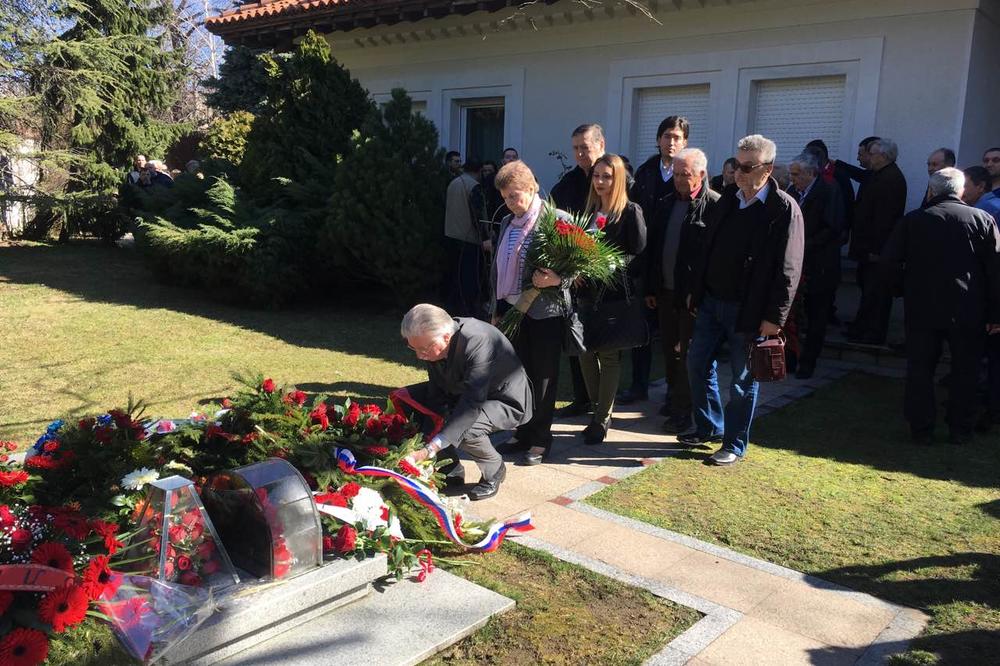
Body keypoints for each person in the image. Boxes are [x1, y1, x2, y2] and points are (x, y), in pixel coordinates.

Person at [682, 134, 804, 465]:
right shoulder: (729, 200)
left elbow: (788, 270)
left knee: (741, 380)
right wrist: (697, 289)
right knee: (696, 363)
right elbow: (708, 248)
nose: (739, 173)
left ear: (768, 169)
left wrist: (774, 319)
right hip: (711, 301)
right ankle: (709, 427)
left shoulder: (783, 209)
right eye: (737, 165)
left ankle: (734, 444)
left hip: (749, 310)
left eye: (747, 167)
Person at [880, 168, 1000, 445]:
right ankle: (960, 429)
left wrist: (902, 290)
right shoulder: (982, 219)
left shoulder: (914, 220)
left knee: (920, 369)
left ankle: (921, 428)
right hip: (969, 309)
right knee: (966, 371)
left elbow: (888, 263)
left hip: (922, 307)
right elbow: (995, 270)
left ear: (931, 191)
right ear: (960, 191)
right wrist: (995, 313)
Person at [402, 304, 532, 500]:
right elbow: (436, 389)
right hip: (462, 392)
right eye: (413, 348)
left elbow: (473, 402)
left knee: (465, 429)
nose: (419, 355)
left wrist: (431, 448)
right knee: (411, 402)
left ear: (446, 337)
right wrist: (433, 419)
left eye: (423, 349)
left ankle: (493, 469)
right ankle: (450, 470)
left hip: (503, 399)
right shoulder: (433, 342)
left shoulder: (478, 341)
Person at [489, 160, 570, 466]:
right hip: (513, 311)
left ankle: (540, 440)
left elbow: (579, 269)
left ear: (532, 187)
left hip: (545, 313)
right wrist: (496, 308)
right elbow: (498, 269)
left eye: (515, 196)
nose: (511, 204)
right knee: (517, 377)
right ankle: (521, 432)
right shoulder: (508, 224)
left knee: (543, 377)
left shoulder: (556, 220)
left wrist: (558, 279)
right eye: (506, 198)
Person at [645, 148, 720, 434]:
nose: (678, 180)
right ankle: (674, 398)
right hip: (665, 291)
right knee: (669, 350)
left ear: (701, 174)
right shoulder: (665, 204)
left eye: (685, 175)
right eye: (675, 174)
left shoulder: (714, 206)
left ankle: (683, 410)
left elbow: (712, 259)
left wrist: (699, 294)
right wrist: (651, 287)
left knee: (689, 353)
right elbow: (655, 250)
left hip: (692, 297)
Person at [577, 154, 647, 445]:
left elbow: (639, 253)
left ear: (617, 179)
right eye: (597, 176)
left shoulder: (631, 211)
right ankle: (597, 407)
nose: (601, 181)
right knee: (583, 350)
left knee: (608, 355)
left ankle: (601, 418)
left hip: (613, 294)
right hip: (585, 293)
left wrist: (611, 265)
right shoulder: (590, 210)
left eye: (607, 176)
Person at [624, 116, 690, 405]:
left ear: (685, 141)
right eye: (666, 136)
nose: (671, 142)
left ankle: (675, 394)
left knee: (675, 337)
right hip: (644, 261)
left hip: (674, 266)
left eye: (677, 137)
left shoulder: (690, 172)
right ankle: (639, 385)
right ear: (658, 139)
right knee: (641, 330)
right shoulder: (647, 171)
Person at [550, 123, 607, 418]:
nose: (581, 153)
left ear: (600, 144)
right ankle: (582, 397)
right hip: (572, 273)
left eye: (585, 146)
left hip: (603, 271)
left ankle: (602, 401)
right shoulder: (568, 182)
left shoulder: (613, 175)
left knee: (604, 342)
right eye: (576, 148)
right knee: (573, 335)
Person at [787, 151, 846, 378]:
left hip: (820, 266)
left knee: (816, 317)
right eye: (791, 174)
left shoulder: (829, 191)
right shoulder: (793, 192)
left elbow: (833, 228)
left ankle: (808, 362)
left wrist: (803, 244)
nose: (792, 179)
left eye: (797, 174)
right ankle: (791, 358)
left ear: (811, 173)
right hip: (795, 266)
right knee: (792, 317)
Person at [847, 138, 907, 345]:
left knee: (878, 293)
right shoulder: (878, 175)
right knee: (868, 289)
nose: (868, 158)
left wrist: (876, 249)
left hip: (878, 250)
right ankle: (862, 327)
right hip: (869, 247)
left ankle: (873, 332)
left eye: (871, 154)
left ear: (883, 156)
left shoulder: (891, 179)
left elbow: (886, 219)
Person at [443, 158, 487, 318]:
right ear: (479, 171)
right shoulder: (473, 186)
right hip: (468, 239)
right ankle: (468, 311)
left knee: (454, 277)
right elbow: (477, 215)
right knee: (468, 278)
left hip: (450, 235)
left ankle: (452, 309)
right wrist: (485, 237)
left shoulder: (453, 183)